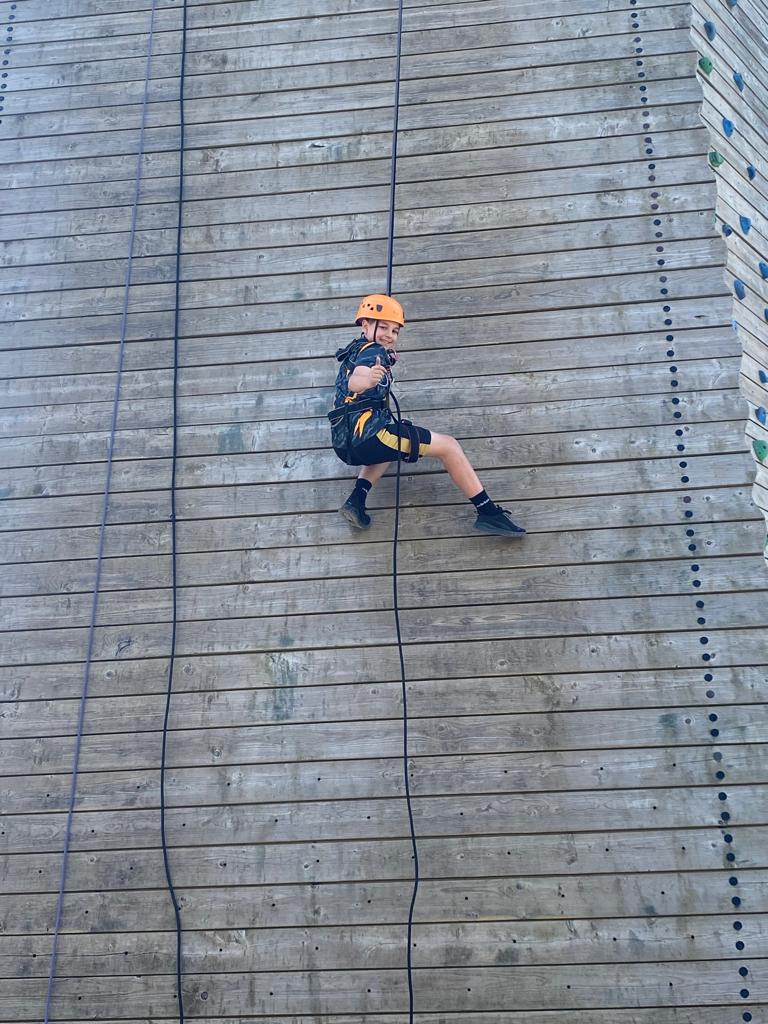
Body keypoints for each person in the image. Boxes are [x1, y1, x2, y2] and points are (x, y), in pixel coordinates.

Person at [328, 294, 526, 538]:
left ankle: (356, 501)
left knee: (394, 443)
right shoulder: (372, 351)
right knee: (449, 447)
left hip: (346, 443)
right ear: (365, 325)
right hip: (370, 435)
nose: (390, 335)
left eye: (395, 331)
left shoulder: (354, 351)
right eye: (383, 327)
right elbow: (356, 379)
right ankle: (488, 512)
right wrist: (367, 380)